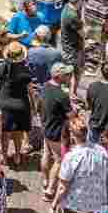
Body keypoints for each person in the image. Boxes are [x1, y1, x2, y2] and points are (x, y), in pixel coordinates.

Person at [53, 118, 108, 213]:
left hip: (75, 206)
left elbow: (63, 187)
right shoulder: (101, 151)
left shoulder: (71, 157)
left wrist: (55, 203)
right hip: (95, 205)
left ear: (71, 135)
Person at [0, 40, 34, 165]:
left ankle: (4, 157)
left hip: (3, 103)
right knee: (18, 132)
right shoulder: (25, 70)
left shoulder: (1, 67)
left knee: (5, 133)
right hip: (21, 104)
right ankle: (17, 156)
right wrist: (34, 105)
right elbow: (31, 91)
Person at [41, 62, 73, 201]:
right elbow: (71, 115)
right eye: (66, 74)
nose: (69, 76)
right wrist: (76, 109)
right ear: (59, 76)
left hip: (46, 126)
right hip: (56, 131)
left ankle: (45, 180)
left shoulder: (45, 86)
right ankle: (50, 191)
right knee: (59, 160)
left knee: (46, 154)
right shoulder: (61, 95)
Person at [59, 0, 85, 96]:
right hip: (72, 50)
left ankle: (68, 92)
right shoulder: (72, 15)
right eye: (84, 1)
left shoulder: (67, 7)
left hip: (66, 45)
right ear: (80, 0)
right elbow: (83, 34)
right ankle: (71, 94)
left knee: (68, 72)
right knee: (75, 73)